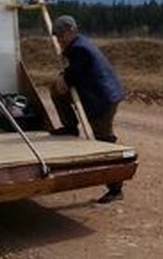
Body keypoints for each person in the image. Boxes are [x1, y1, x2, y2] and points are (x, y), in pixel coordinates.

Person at [49, 14, 127, 204]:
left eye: (61, 36)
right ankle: (70, 127)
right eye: (57, 37)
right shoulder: (79, 45)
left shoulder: (79, 49)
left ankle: (116, 188)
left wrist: (64, 77)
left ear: (72, 31)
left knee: (103, 142)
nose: (60, 40)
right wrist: (64, 76)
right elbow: (71, 75)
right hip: (101, 95)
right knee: (56, 90)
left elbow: (73, 75)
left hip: (102, 100)